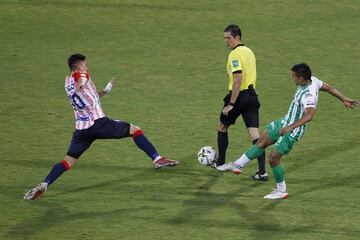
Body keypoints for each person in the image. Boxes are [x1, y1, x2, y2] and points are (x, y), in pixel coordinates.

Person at [24, 53, 180, 201]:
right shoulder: (80, 76)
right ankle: (157, 159)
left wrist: (106, 90)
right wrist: (83, 78)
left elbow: (88, 96)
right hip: (98, 123)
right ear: (78, 66)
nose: (87, 67)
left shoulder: (67, 82)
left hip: (82, 130)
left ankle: (45, 184)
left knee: (68, 161)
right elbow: (82, 80)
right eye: (84, 64)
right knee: (135, 130)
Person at [218, 63, 359, 199]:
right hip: (285, 121)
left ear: (302, 78)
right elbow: (329, 88)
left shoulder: (308, 95)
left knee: (273, 158)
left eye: (294, 77)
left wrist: (290, 128)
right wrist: (344, 99)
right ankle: (237, 165)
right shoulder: (314, 80)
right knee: (262, 140)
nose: (292, 79)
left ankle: (281, 190)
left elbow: (309, 116)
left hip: (292, 130)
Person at [215, 24, 267, 181]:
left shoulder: (235, 54)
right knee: (255, 134)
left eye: (228, 38)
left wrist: (231, 103)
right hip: (252, 97)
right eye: (224, 38)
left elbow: (237, 80)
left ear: (237, 37)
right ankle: (262, 172)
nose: (226, 41)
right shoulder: (249, 52)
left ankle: (221, 163)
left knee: (222, 126)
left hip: (239, 96)